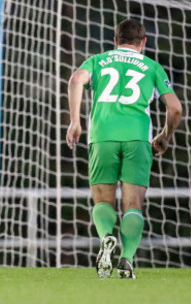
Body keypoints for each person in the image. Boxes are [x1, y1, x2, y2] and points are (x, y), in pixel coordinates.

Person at [66, 19, 182, 279]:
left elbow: (75, 80)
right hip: (138, 139)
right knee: (133, 205)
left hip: (102, 136)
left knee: (103, 201)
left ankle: (107, 237)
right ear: (143, 43)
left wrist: (75, 120)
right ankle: (127, 259)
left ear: (115, 41)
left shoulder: (98, 60)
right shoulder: (152, 67)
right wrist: (165, 135)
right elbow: (175, 108)